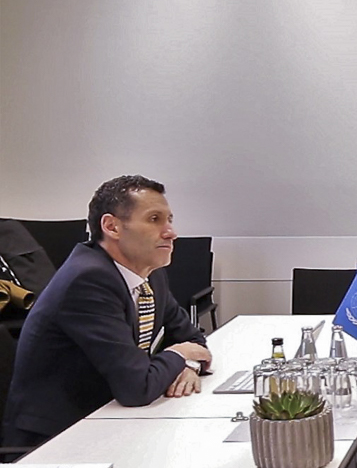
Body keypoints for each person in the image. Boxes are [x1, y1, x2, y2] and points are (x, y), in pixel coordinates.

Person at [2, 176, 210, 447]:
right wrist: (179, 355)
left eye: (169, 220)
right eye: (154, 219)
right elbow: (138, 387)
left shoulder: (149, 273)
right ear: (112, 227)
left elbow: (194, 340)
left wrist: (189, 365)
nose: (171, 232)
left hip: (110, 420)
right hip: (56, 441)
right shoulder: (87, 280)